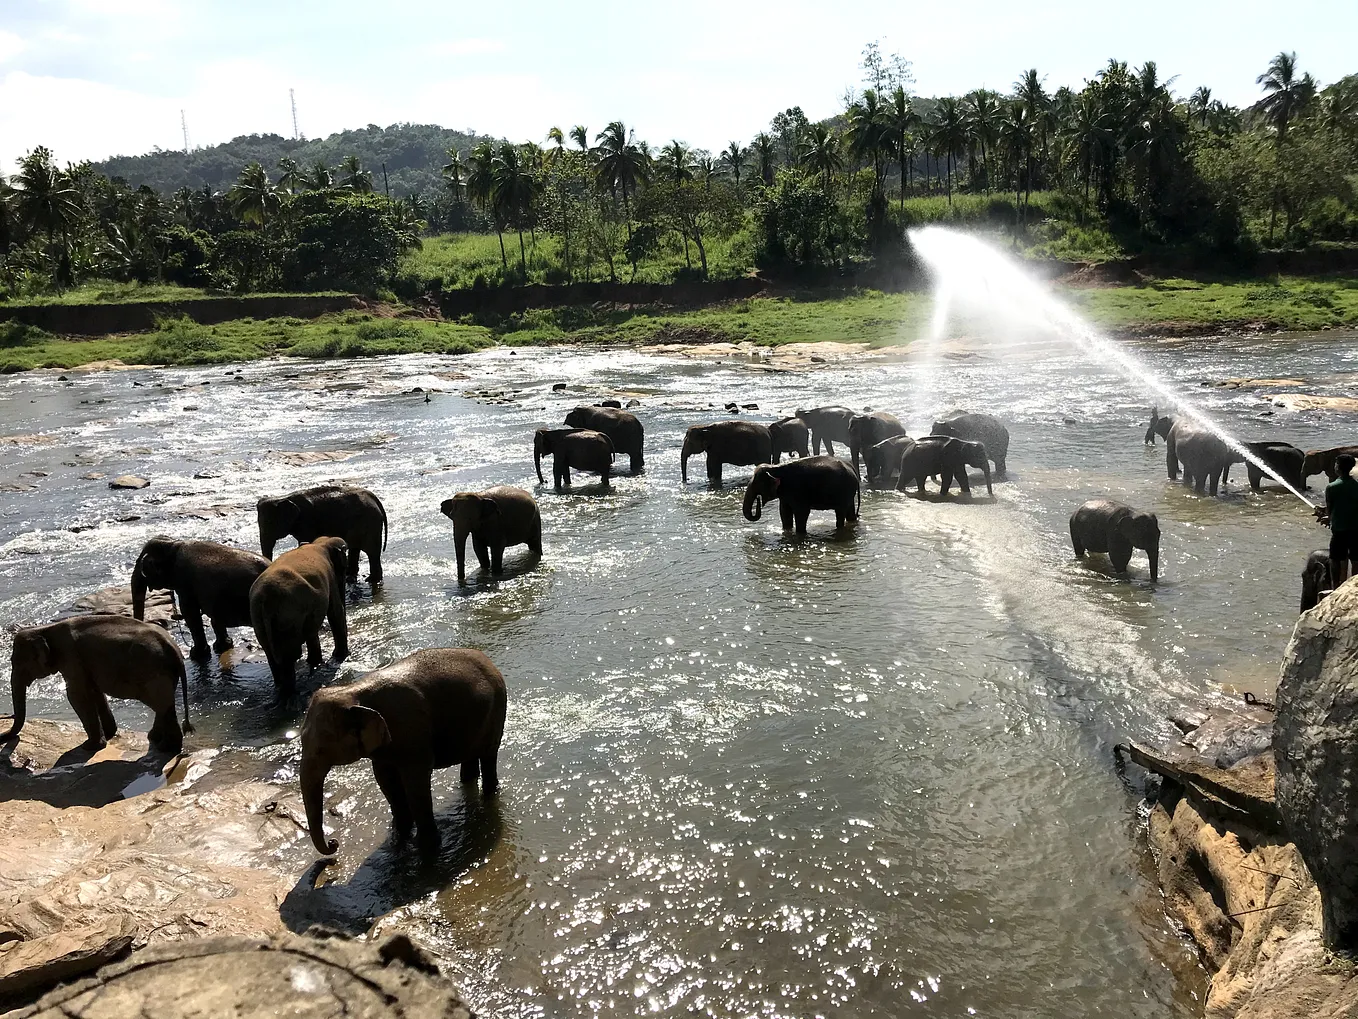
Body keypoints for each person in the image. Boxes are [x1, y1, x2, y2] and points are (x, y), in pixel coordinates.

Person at [1317, 453, 1358, 591]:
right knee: (1355, 559)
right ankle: (1354, 587)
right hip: (1355, 529)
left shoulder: (1332, 487)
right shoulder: (1356, 486)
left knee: (1335, 559)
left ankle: (1336, 587)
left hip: (1339, 530)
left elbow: (1330, 510)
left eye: (1336, 464)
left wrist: (1326, 517)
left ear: (1338, 468)